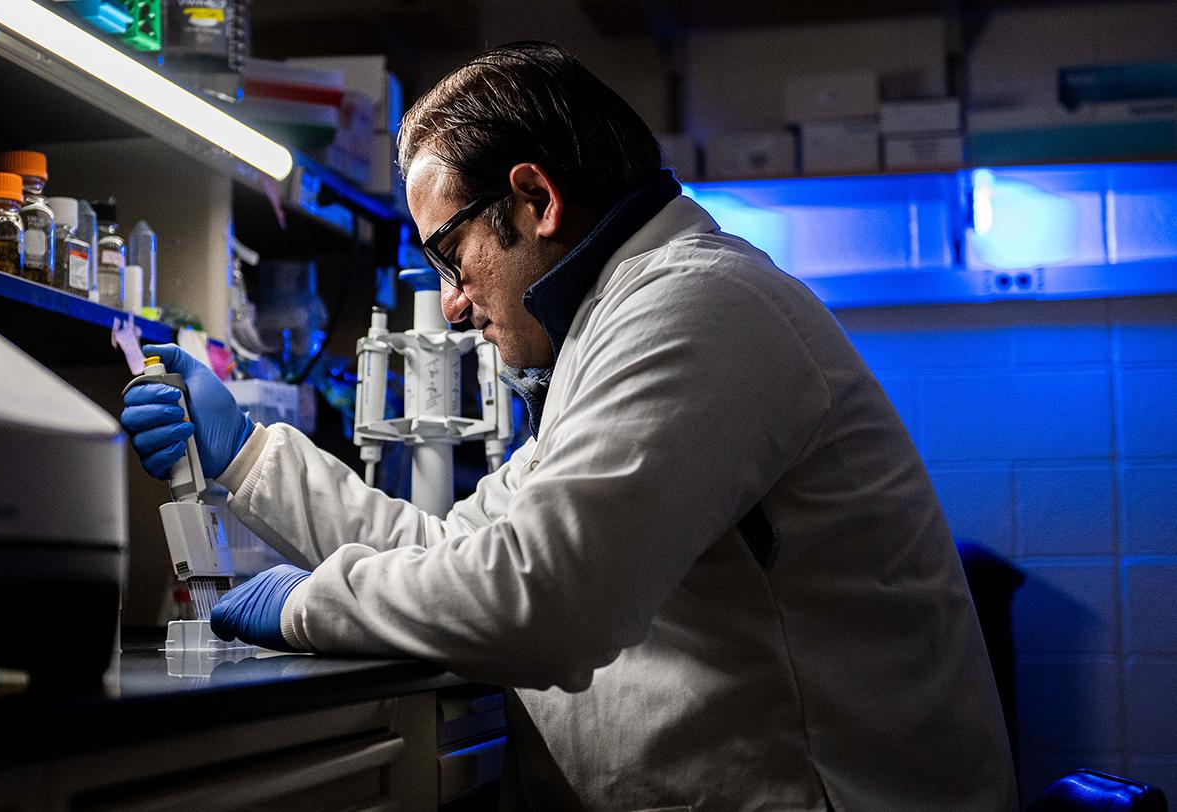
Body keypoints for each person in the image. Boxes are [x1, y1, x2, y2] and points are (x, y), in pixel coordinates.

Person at [122, 41, 1017, 811]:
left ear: (535, 200)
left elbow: (543, 601)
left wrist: (306, 603)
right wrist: (249, 457)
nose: (454, 304)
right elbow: (448, 548)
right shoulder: (609, 333)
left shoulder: (700, 306)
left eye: (449, 256)